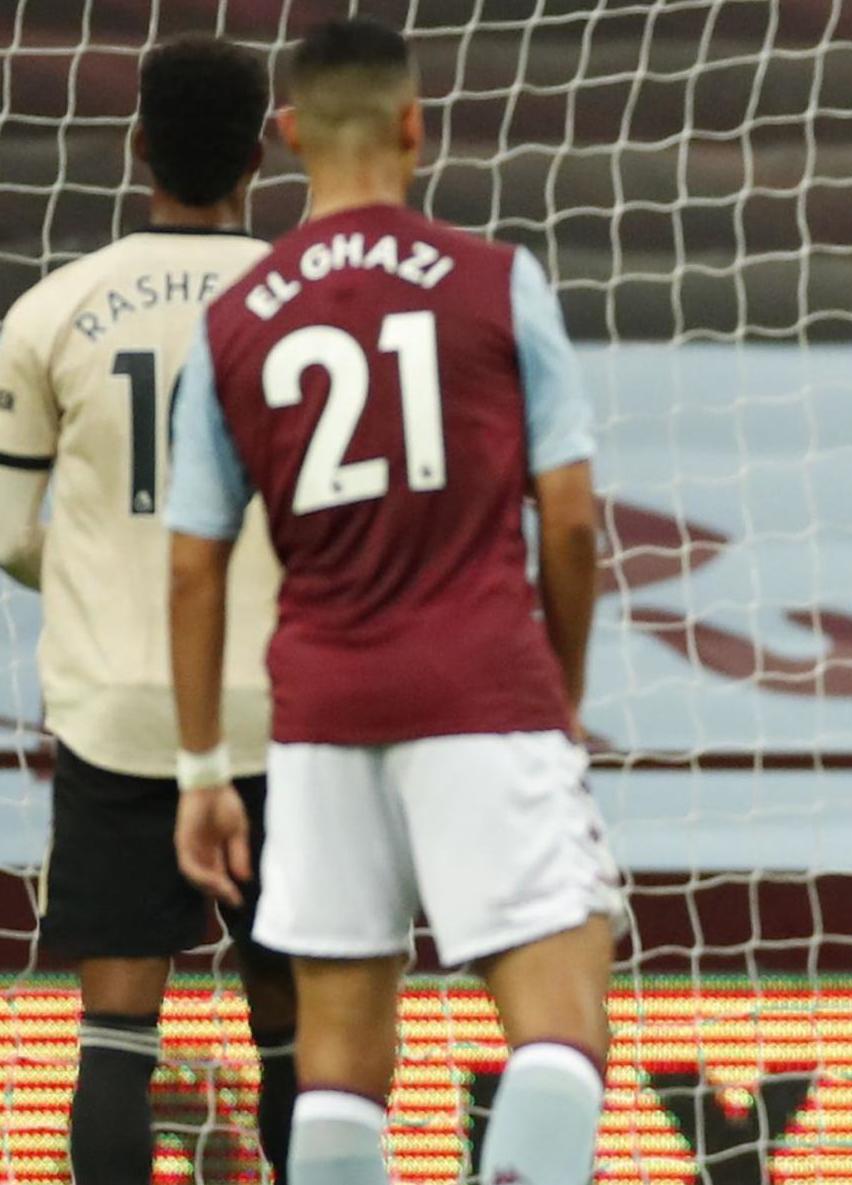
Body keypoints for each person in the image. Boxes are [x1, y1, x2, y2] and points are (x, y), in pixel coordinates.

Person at [163, 17, 622, 1185]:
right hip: (482, 692)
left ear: (287, 134)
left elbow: (192, 562)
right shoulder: (496, 281)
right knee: (561, 1026)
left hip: (319, 716)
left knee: (340, 1068)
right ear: (417, 126)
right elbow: (568, 519)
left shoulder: (233, 320)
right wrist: (558, 688)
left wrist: (205, 768)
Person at [0, 36, 297, 1185]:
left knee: (115, 1041)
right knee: (299, 1029)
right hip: (284, 709)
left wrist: (95, 578)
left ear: (135, 151)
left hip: (119, 710)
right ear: (266, 150)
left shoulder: (51, 312)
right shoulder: (308, 306)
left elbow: (13, 532)